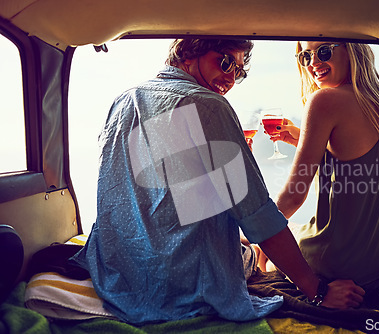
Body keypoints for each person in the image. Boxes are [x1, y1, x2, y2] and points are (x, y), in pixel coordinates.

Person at [71, 39, 364, 325]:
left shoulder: (125, 99)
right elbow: (257, 215)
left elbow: (152, 191)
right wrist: (316, 291)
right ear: (187, 53)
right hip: (183, 285)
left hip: (118, 273)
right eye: (225, 62)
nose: (230, 78)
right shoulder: (208, 105)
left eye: (238, 71)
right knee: (254, 253)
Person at [268, 42, 379, 292]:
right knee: (285, 230)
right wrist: (304, 139)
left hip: (340, 266)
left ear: (351, 50)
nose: (313, 63)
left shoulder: (324, 100)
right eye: (305, 56)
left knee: (263, 248)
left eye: (323, 51)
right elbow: (358, 160)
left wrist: (251, 229)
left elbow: (293, 197)